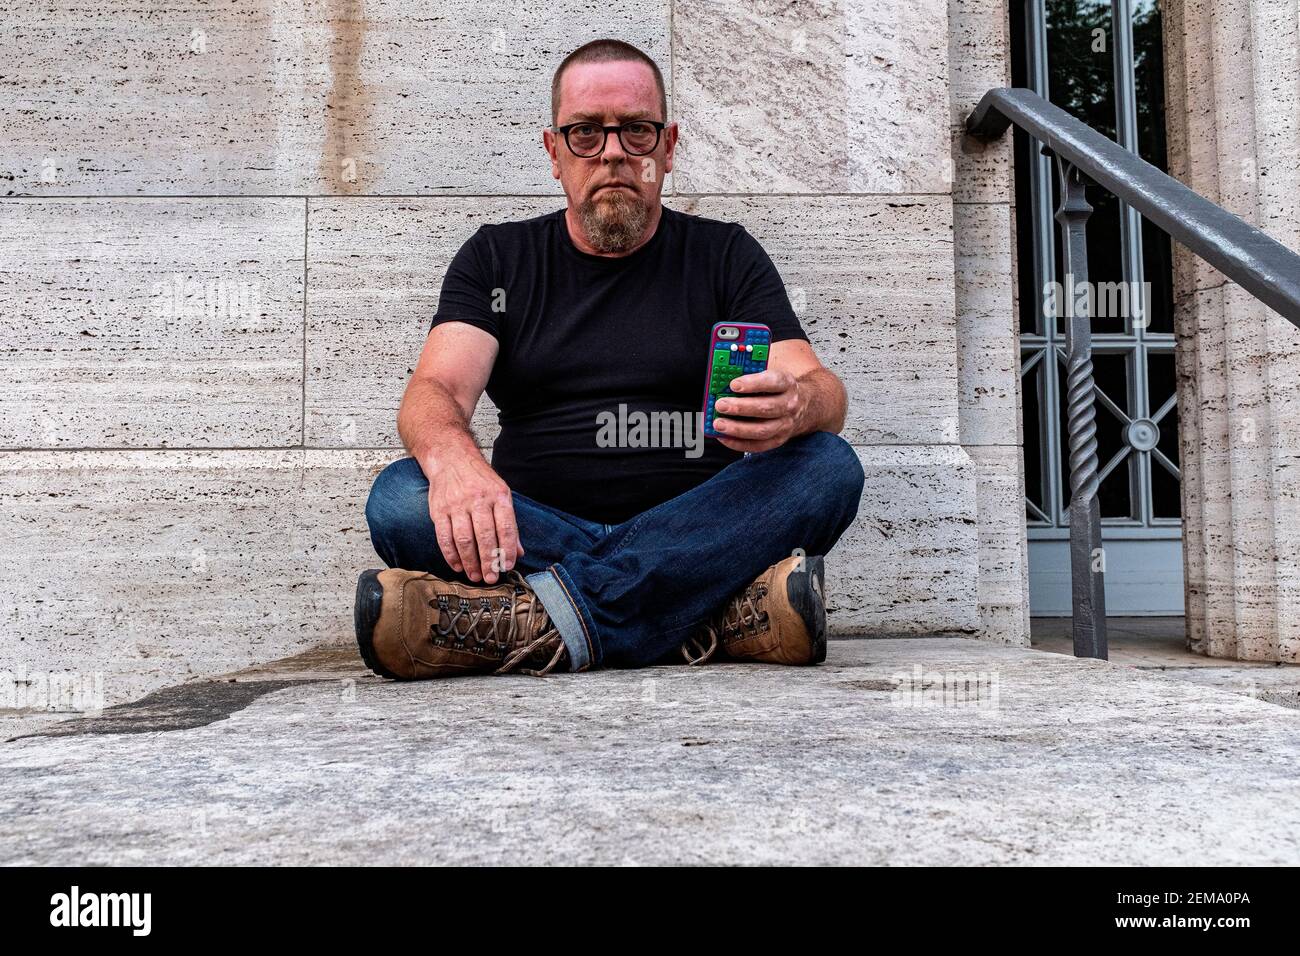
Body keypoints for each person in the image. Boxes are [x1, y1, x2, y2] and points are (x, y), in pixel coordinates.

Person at [356, 38, 865, 680]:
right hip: (535, 528)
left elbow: (821, 388)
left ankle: (530, 623)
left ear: (669, 146)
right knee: (400, 497)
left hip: (696, 518)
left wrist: (800, 406)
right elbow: (435, 390)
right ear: (554, 152)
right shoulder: (496, 259)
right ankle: (708, 615)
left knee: (825, 465)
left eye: (637, 131)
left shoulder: (725, 256)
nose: (615, 152)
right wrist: (454, 459)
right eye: (586, 134)